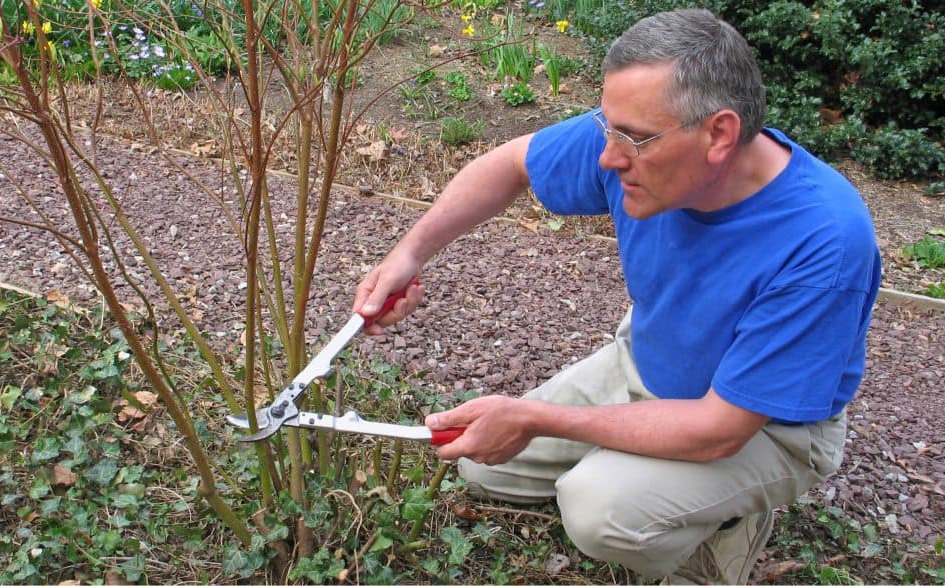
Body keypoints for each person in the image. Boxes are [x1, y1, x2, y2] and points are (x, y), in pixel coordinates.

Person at [352, 8, 881, 584]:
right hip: (645, 362)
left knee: (599, 511)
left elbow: (719, 429)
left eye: (631, 137)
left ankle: (725, 527)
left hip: (765, 427)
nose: (608, 156)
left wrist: (531, 416)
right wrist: (407, 256)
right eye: (608, 128)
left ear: (719, 134)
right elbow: (509, 164)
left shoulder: (823, 241)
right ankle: (644, 472)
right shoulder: (636, 143)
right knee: (483, 466)